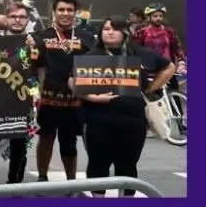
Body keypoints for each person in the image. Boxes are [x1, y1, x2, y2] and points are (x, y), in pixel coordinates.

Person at [72, 16, 175, 197]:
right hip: (97, 120)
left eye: (115, 28)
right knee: (98, 164)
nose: (110, 32)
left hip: (132, 120)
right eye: (105, 29)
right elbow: (72, 82)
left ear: (125, 32)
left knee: (128, 165)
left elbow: (169, 67)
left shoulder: (141, 53)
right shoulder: (90, 57)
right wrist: (93, 97)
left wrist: (151, 88)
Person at [30, 0, 95, 187]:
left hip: (75, 99)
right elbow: (30, 62)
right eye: (61, 10)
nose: (65, 13)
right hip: (48, 97)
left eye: (69, 10)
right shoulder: (40, 36)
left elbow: (98, 62)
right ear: (54, 12)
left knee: (69, 141)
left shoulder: (87, 37)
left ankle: (71, 182)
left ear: (75, 13)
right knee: (46, 137)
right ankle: (42, 177)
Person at [0, 2, 33, 185]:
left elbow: (38, 73)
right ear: (6, 19)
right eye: (13, 16)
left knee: (20, 148)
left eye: (22, 17)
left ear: (28, 20)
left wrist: (35, 97)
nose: (17, 20)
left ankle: (14, 185)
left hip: (22, 104)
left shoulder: (35, 43)